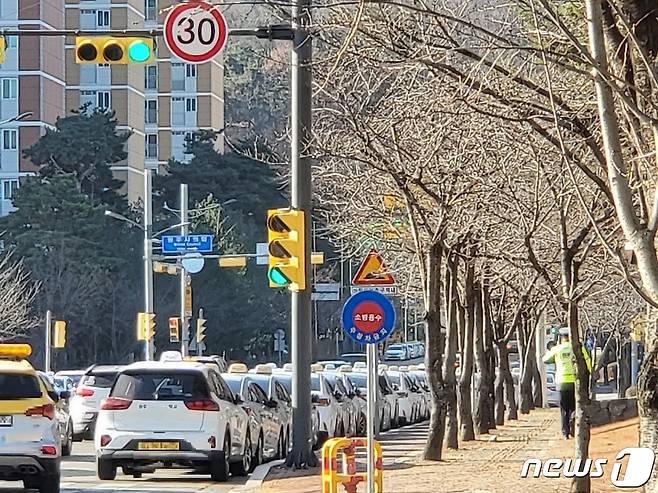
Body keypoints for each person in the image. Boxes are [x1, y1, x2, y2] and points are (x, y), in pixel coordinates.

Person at [542, 327, 592, 439]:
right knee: (575, 406)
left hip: (561, 382)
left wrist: (551, 350)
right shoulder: (578, 348)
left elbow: (545, 359)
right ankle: (574, 425)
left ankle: (565, 432)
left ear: (561, 337)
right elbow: (588, 362)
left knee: (564, 408)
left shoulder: (557, 349)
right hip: (575, 381)